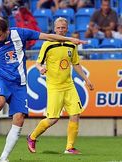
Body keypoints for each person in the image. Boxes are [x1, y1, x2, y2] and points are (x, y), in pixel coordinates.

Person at [0, 18, 86, 162]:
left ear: (7, 31)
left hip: (20, 85)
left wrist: (69, 39)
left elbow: (48, 36)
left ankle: (3, 158)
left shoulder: (20, 33)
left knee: (19, 119)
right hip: (3, 79)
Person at [27, 17, 94, 155]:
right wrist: (40, 69)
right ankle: (32, 137)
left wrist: (86, 80)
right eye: (58, 28)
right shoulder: (48, 44)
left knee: (75, 114)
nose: (61, 30)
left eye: (63, 28)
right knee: (53, 119)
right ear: (54, 29)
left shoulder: (71, 45)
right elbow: (38, 63)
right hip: (54, 87)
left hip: (69, 85)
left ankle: (69, 147)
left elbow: (75, 64)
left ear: (67, 29)